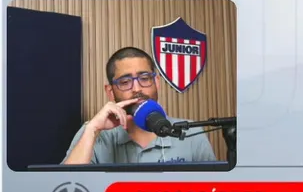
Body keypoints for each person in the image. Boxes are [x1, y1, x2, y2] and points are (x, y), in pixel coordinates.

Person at [62, 47, 217, 165]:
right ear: (110, 92)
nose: (137, 89)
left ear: (156, 83)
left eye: (144, 78)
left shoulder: (191, 132)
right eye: (125, 82)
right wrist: (93, 129)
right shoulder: (93, 133)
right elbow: (65, 187)